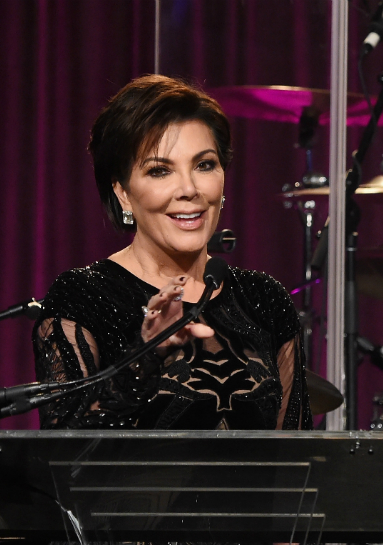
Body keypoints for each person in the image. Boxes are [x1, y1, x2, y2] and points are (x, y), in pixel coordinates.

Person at [33, 74, 312, 431]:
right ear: (122, 193)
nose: (189, 189)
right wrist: (145, 357)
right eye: (160, 171)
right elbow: (66, 455)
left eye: (204, 165)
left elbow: (299, 456)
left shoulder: (265, 299)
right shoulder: (82, 297)